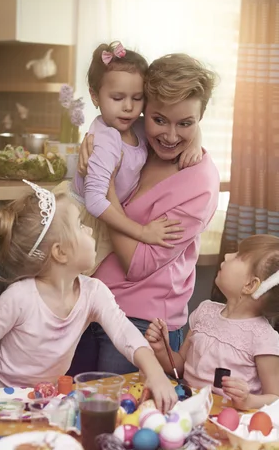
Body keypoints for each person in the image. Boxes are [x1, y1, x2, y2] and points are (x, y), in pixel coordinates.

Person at [0, 181, 178, 413]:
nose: (90, 230)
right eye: (80, 226)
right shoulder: (20, 298)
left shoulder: (93, 292)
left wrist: (155, 372)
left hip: (43, 402)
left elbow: (124, 332)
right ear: (60, 252)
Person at [70, 53, 220, 376]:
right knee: (73, 411)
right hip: (88, 303)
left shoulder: (199, 183)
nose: (169, 136)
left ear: (200, 118)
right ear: (144, 110)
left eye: (186, 124)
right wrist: (92, 147)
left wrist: (104, 186)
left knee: (123, 421)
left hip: (142, 323)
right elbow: (107, 126)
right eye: (159, 119)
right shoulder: (138, 139)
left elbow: (137, 264)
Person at [145, 222, 279, 410]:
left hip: (230, 425)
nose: (227, 256)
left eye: (237, 256)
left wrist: (248, 400)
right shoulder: (205, 312)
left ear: (250, 285)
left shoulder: (262, 338)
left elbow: (277, 397)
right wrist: (162, 350)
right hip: (188, 413)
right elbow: (180, 368)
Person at [65, 41, 201, 274]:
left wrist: (196, 141)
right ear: (95, 96)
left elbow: (179, 118)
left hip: (106, 216)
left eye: (137, 98)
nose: (128, 107)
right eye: (117, 98)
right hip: (84, 220)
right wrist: (143, 232)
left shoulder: (136, 127)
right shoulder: (106, 140)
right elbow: (95, 202)